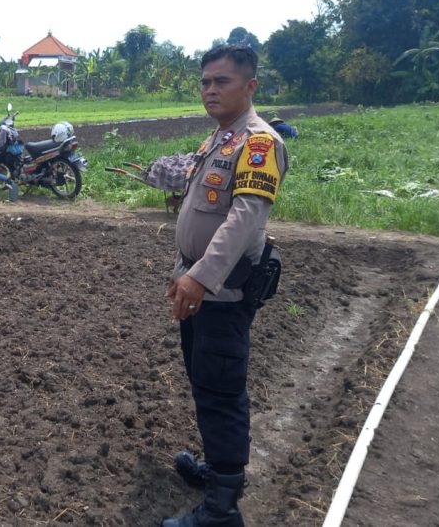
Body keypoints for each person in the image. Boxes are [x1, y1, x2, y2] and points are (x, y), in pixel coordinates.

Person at [161, 44, 289, 527]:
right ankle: (216, 469)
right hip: (197, 282)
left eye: (223, 81)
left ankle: (222, 508)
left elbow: (243, 218)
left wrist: (199, 277)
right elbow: (204, 207)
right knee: (204, 378)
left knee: (220, 389)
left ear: (250, 86)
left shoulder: (259, 143)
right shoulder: (220, 139)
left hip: (222, 289)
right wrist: (182, 269)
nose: (210, 90)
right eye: (205, 82)